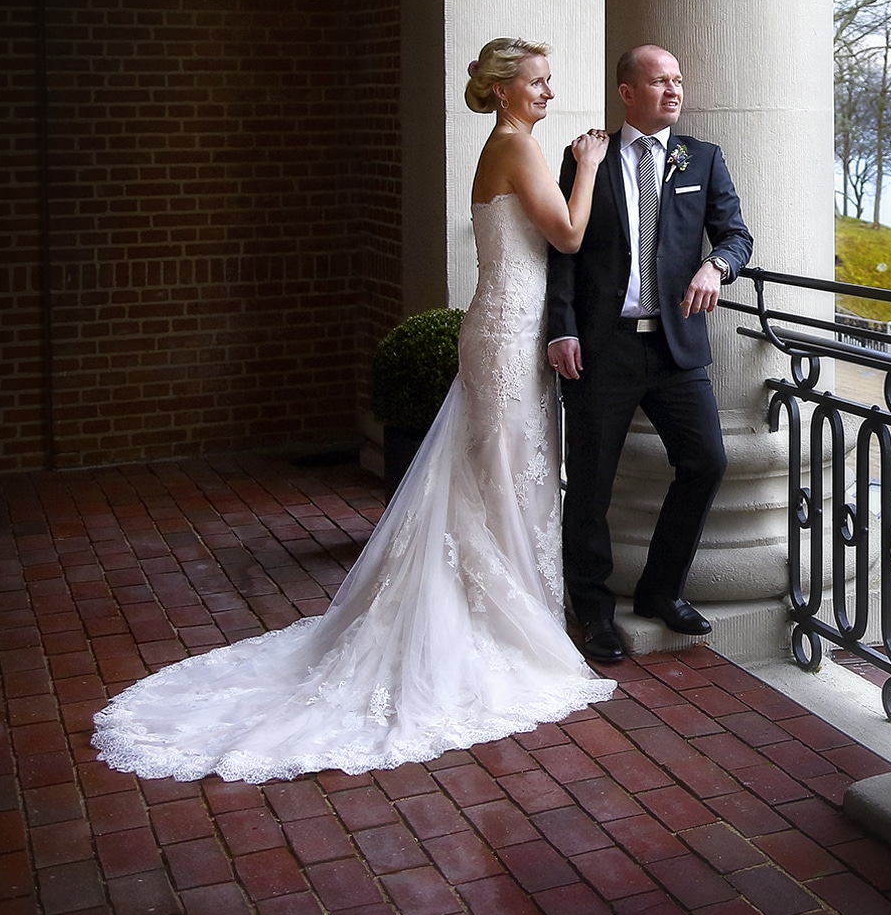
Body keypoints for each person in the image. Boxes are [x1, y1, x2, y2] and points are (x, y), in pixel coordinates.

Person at [91, 39, 618, 783]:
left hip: (509, 326)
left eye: (547, 81)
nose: (547, 92)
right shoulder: (516, 146)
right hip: (505, 334)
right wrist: (591, 167)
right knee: (501, 478)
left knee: (496, 479)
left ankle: (501, 612)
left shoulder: (512, 143)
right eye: (535, 82)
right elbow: (567, 231)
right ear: (500, 91)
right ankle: (499, 626)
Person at [547, 44, 752, 664]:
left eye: (678, 81)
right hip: (600, 349)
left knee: (706, 461)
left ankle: (660, 588)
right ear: (626, 92)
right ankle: (593, 608)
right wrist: (561, 328)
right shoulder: (586, 158)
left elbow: (737, 235)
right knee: (590, 484)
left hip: (676, 350)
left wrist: (718, 266)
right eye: (659, 81)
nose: (674, 90)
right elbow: (561, 251)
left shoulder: (703, 159)